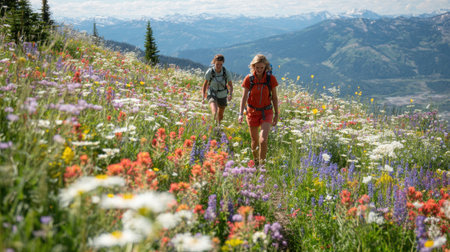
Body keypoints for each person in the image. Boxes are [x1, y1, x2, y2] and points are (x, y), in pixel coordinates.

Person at [238, 54, 279, 165]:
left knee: (263, 140)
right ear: (253, 67)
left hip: (267, 112)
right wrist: (240, 113)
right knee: (255, 141)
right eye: (257, 68)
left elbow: (274, 97)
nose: (260, 70)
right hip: (252, 112)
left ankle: (262, 166)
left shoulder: (271, 79)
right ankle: (256, 161)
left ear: (265, 67)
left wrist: (276, 114)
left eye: (262, 68)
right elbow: (244, 97)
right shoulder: (249, 79)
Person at [202, 54, 233, 126]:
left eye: (220, 64)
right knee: (215, 111)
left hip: (222, 94)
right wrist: (203, 96)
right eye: (217, 64)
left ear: (223, 63)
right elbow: (205, 84)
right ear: (214, 62)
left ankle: (218, 126)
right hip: (212, 93)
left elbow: (230, 85)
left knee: (220, 115)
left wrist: (230, 94)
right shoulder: (210, 72)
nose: (219, 66)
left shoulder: (226, 72)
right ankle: (215, 126)